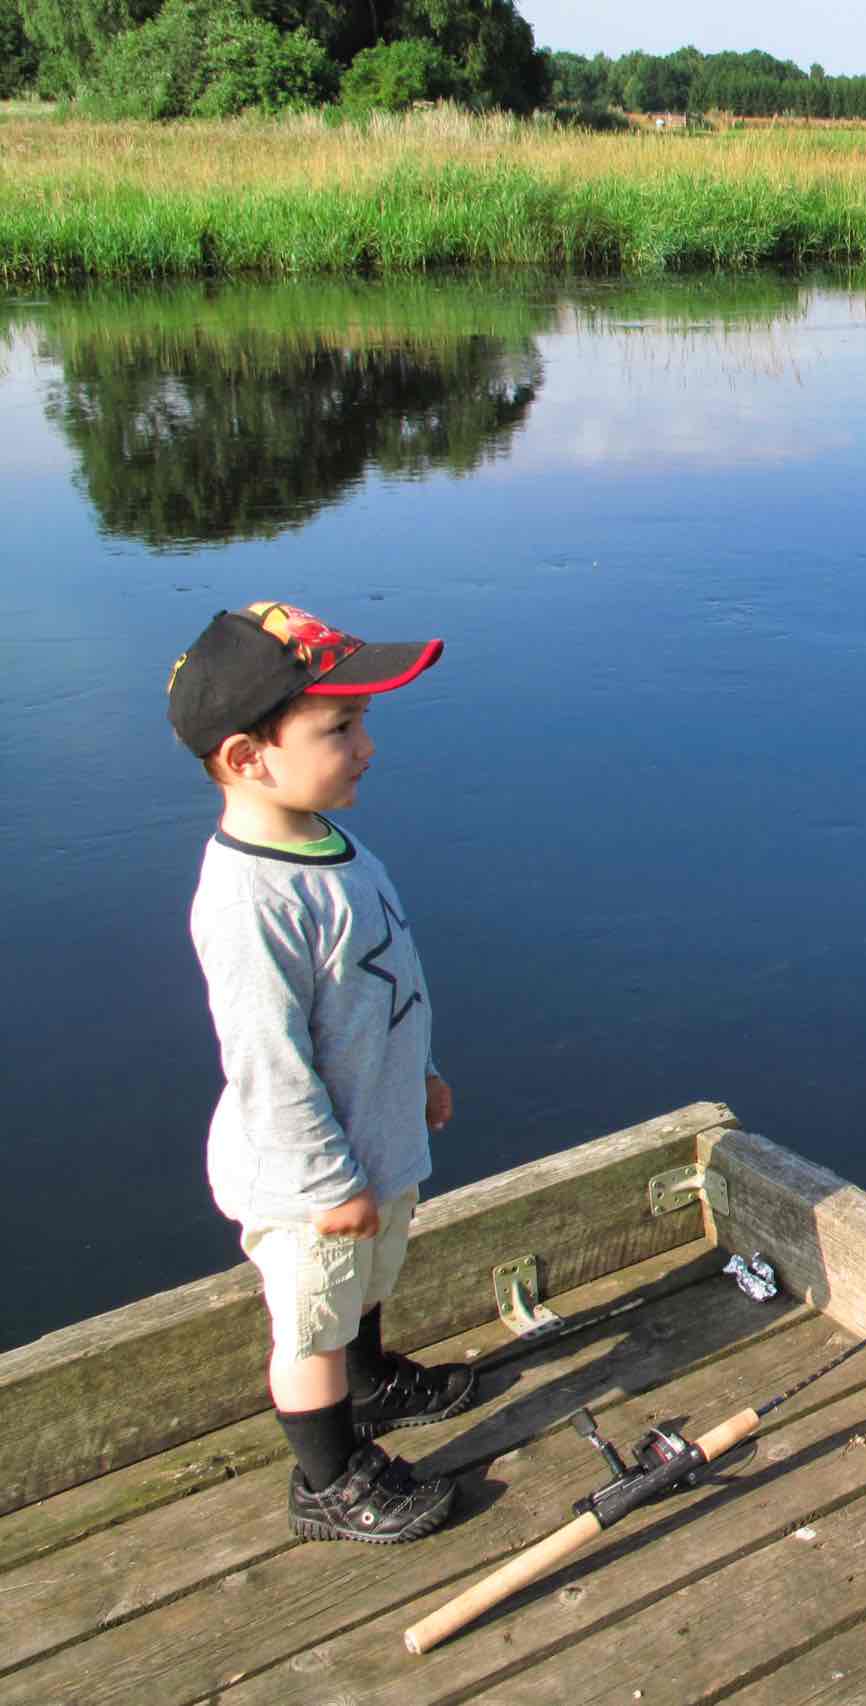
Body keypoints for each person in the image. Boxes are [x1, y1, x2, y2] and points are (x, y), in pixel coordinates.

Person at [167, 600, 473, 1543]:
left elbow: (384, 979)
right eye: (339, 728)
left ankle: (371, 1384)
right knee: (311, 1323)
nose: (367, 746)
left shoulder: (330, 842)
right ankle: (327, 1480)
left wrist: (420, 1072)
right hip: (312, 1178)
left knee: (367, 1283)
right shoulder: (249, 901)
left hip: (375, 1140)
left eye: (362, 722)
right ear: (247, 758)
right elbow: (267, 1062)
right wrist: (326, 1181)